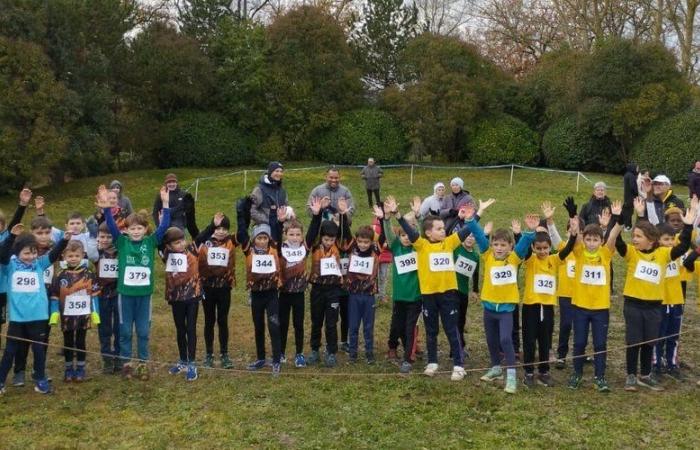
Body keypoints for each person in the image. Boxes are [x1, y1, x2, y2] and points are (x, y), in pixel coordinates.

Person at [611, 197, 696, 392]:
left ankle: (646, 374)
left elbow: (682, 247)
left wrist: (689, 226)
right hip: (633, 305)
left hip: (654, 306)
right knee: (633, 341)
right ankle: (631, 376)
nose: (635, 239)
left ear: (650, 239)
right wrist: (619, 218)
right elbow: (618, 242)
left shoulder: (663, 255)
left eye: (639, 236)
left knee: (650, 341)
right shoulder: (632, 253)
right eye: (634, 236)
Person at [394, 197, 474, 382]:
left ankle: (459, 365)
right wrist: (398, 216)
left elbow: (467, 230)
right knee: (431, 330)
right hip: (428, 296)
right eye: (439, 229)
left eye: (443, 228)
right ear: (428, 233)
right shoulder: (421, 245)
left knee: (451, 328)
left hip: (448, 295)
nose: (443, 230)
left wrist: (476, 216)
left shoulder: (450, 242)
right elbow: (410, 232)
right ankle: (432, 362)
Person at [99, 184, 171, 381]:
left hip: (144, 297)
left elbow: (164, 226)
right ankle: (126, 364)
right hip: (126, 296)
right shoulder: (122, 242)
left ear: (145, 229)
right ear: (127, 230)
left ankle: (143, 364)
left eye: (140, 228)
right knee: (124, 331)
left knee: (143, 331)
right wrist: (106, 208)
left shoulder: (150, 242)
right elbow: (111, 225)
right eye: (132, 228)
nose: (136, 231)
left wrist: (165, 203)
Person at [463, 206, 538, 394]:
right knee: (491, 339)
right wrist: (471, 220)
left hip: (506, 309)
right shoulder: (487, 255)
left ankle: (511, 376)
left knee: (506, 339)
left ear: (510, 247)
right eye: (496, 244)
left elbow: (523, 245)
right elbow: (480, 236)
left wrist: (529, 231)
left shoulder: (514, 259)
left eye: (503, 245)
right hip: (489, 307)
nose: (499, 248)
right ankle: (495, 368)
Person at [0, 224, 69, 395]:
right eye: (26, 253)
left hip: (38, 316)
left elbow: (52, 255)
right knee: (10, 350)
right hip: (18, 317)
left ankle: (40, 379)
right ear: (17, 253)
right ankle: (1, 380)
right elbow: (2, 256)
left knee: (39, 350)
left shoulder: (39, 264)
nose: (31, 256)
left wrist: (65, 240)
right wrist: (11, 237)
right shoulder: (10, 265)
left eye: (34, 252)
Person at [520, 222, 577, 388]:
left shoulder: (554, 259)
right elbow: (523, 248)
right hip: (531, 307)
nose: (542, 251)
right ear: (534, 248)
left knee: (545, 340)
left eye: (545, 248)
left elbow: (567, 250)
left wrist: (573, 235)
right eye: (539, 248)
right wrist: (528, 232)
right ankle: (529, 372)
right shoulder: (530, 260)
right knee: (529, 340)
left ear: (550, 247)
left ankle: (544, 371)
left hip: (548, 308)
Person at [236, 198, 282, 376]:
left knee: (274, 325)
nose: (262, 241)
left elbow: (276, 228)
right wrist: (242, 213)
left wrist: (272, 215)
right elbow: (242, 232)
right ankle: (261, 357)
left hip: (271, 294)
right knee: (258, 326)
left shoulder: (274, 250)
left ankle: (277, 360)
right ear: (254, 239)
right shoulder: (249, 250)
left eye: (265, 238)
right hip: (256, 294)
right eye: (259, 238)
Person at [306, 196, 352, 367]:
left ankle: (331, 352)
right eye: (326, 239)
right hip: (317, 288)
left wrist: (342, 214)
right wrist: (317, 216)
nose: (328, 242)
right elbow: (311, 235)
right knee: (316, 320)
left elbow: (345, 234)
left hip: (334, 290)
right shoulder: (316, 245)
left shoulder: (339, 246)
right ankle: (314, 350)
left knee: (331, 322)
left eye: (331, 239)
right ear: (322, 237)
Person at [49, 240, 101, 382]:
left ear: (82, 255)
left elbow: (94, 295)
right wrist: (54, 313)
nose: (73, 258)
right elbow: (54, 296)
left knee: (80, 341)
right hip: (67, 316)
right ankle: (68, 369)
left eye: (76, 255)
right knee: (67, 342)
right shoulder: (60, 276)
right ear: (64, 256)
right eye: (70, 256)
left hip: (83, 315)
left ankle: (80, 368)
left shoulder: (89, 274)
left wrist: (96, 312)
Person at [382, 206, 422, 373]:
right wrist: (385, 219)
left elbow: (420, 235)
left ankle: (408, 357)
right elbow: (389, 234)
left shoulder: (419, 248)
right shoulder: (396, 246)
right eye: (403, 235)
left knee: (410, 326)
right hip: (399, 296)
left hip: (415, 296)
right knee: (397, 324)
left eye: (408, 235)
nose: (406, 238)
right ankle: (393, 347)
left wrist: (418, 216)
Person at [162, 226, 204, 382]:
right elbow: (158, 240)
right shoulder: (166, 255)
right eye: (176, 243)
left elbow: (201, 235)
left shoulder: (192, 250)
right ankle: (183, 360)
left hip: (192, 296)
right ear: (169, 246)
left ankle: (192, 362)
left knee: (191, 328)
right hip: (176, 298)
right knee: (180, 328)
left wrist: (213, 225)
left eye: (181, 241)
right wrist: (162, 223)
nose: (180, 245)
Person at [196, 213, 237, 370]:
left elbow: (242, 233)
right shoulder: (205, 241)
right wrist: (211, 226)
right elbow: (198, 239)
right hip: (207, 288)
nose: (221, 232)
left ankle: (224, 354)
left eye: (224, 229)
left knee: (223, 320)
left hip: (224, 288)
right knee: (209, 320)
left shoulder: (231, 241)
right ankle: (209, 354)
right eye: (218, 228)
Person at [274, 210, 311, 368]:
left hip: (299, 293)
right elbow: (275, 235)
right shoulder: (280, 248)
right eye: (291, 234)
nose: (294, 237)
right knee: (283, 323)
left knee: (298, 324)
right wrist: (279, 223)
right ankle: (281, 352)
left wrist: (316, 216)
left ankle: (299, 353)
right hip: (284, 293)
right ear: (285, 235)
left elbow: (313, 231)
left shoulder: (304, 248)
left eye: (297, 235)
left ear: (301, 236)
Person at [95, 222, 121, 374]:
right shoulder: (95, 253)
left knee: (118, 327)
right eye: (102, 236)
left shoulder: (120, 251)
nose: (105, 240)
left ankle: (118, 357)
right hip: (101, 294)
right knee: (104, 328)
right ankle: (107, 359)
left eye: (108, 236)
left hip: (118, 293)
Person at [250, 162, 288, 235]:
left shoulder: (282, 190)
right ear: (270, 172)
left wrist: (289, 214)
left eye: (281, 171)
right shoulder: (259, 189)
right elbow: (251, 210)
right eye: (276, 171)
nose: (279, 174)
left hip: (280, 225)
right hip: (264, 227)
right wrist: (267, 221)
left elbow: (286, 206)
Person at [622, 164, 639, 230]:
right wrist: (637, 193)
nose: (637, 170)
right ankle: (627, 226)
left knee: (626, 210)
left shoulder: (627, 174)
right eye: (637, 168)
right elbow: (633, 187)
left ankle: (625, 224)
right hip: (631, 197)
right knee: (629, 211)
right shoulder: (631, 176)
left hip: (627, 196)